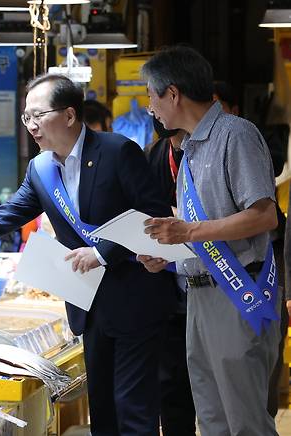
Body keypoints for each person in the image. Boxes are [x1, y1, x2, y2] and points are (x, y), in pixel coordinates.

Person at [0, 73, 177, 436]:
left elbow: (153, 216)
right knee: (103, 412)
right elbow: (12, 212)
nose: (31, 125)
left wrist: (103, 253)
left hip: (135, 301)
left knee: (133, 411)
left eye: (38, 116)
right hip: (88, 307)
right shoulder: (41, 167)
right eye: (25, 117)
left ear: (70, 115)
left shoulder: (117, 151)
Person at [140, 46, 280, 435]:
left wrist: (186, 231)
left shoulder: (236, 135)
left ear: (173, 93)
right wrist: (166, 255)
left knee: (244, 420)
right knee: (212, 418)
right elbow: (199, 230)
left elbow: (264, 215)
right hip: (197, 295)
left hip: (237, 292)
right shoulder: (187, 152)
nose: (150, 108)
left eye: (150, 96)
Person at [144, 118, 196, 436]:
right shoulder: (151, 156)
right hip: (167, 290)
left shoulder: (213, 151)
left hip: (218, 281)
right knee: (171, 389)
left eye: (156, 96)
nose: (153, 108)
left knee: (215, 390)